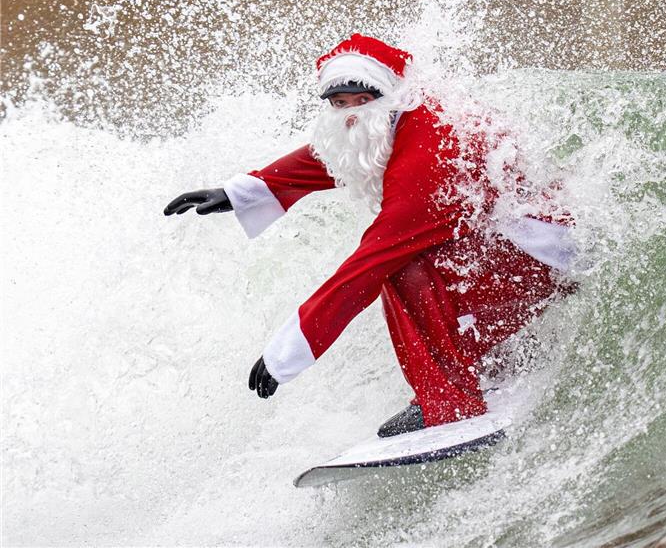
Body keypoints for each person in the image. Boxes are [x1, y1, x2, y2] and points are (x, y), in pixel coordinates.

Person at [164, 34, 576, 437]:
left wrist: (286, 354)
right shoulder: (406, 113)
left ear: (387, 96)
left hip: (541, 260)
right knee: (426, 259)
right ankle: (494, 361)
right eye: (339, 104)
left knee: (401, 268)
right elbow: (346, 150)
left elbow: (365, 268)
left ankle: (448, 403)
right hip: (519, 249)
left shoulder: (427, 159)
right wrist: (242, 192)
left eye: (362, 101)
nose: (351, 114)